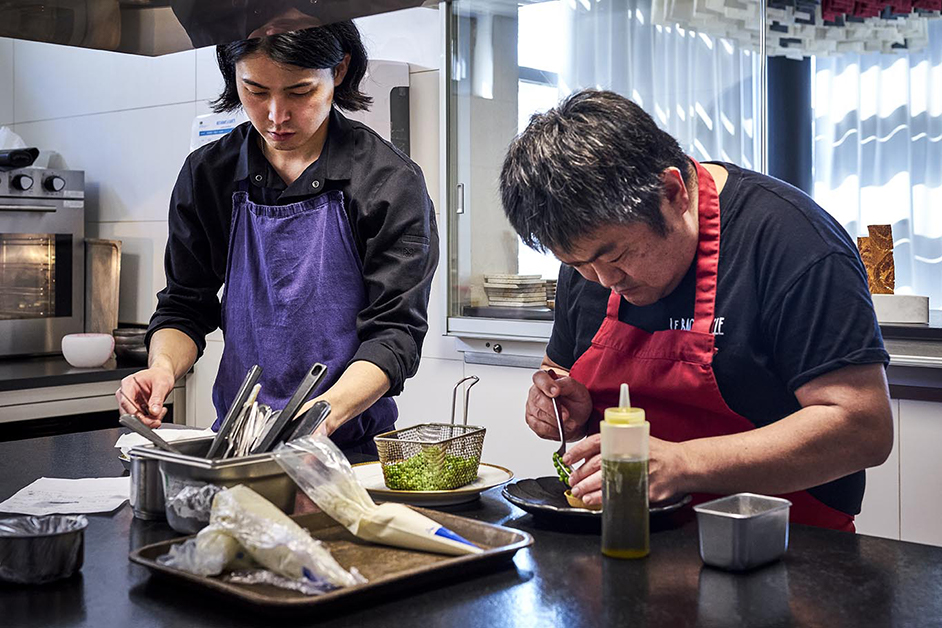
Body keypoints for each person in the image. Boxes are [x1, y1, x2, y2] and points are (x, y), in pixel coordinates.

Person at [500, 89, 892, 531]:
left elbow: (862, 429)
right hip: (627, 540)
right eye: (576, 264)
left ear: (672, 193)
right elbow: (559, 371)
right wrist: (563, 408)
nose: (604, 280)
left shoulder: (793, 243)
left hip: (782, 549)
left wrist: (683, 462)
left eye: (616, 257)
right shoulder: (591, 258)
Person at [116, 23, 439, 455]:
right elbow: (185, 304)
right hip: (234, 446)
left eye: (299, 91)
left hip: (348, 451)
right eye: (255, 90)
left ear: (339, 71)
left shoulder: (387, 181)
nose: (275, 115)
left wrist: (320, 415)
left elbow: (394, 334)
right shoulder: (209, 174)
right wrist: (161, 368)